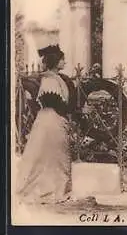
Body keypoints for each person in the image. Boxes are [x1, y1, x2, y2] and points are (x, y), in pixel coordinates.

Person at [16, 44, 76, 204]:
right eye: (63, 59)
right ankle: (50, 191)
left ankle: (57, 190)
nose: (65, 62)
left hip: (53, 120)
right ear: (56, 61)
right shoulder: (49, 79)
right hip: (51, 121)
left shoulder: (56, 78)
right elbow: (52, 101)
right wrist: (68, 110)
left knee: (55, 156)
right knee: (51, 156)